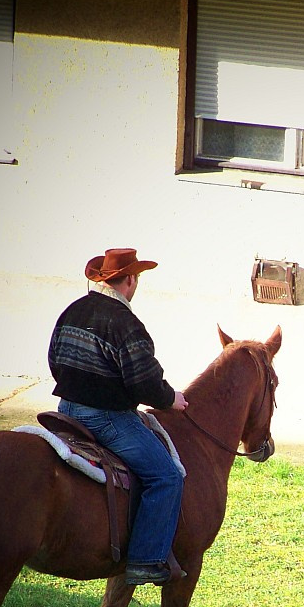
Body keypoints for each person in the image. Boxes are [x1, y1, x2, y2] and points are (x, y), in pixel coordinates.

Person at [48, 247, 189, 588]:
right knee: (168, 476)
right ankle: (145, 560)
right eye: (136, 278)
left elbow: (54, 359)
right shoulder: (125, 323)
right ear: (129, 280)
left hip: (66, 411)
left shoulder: (72, 311)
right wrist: (172, 399)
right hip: (106, 419)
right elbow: (143, 382)